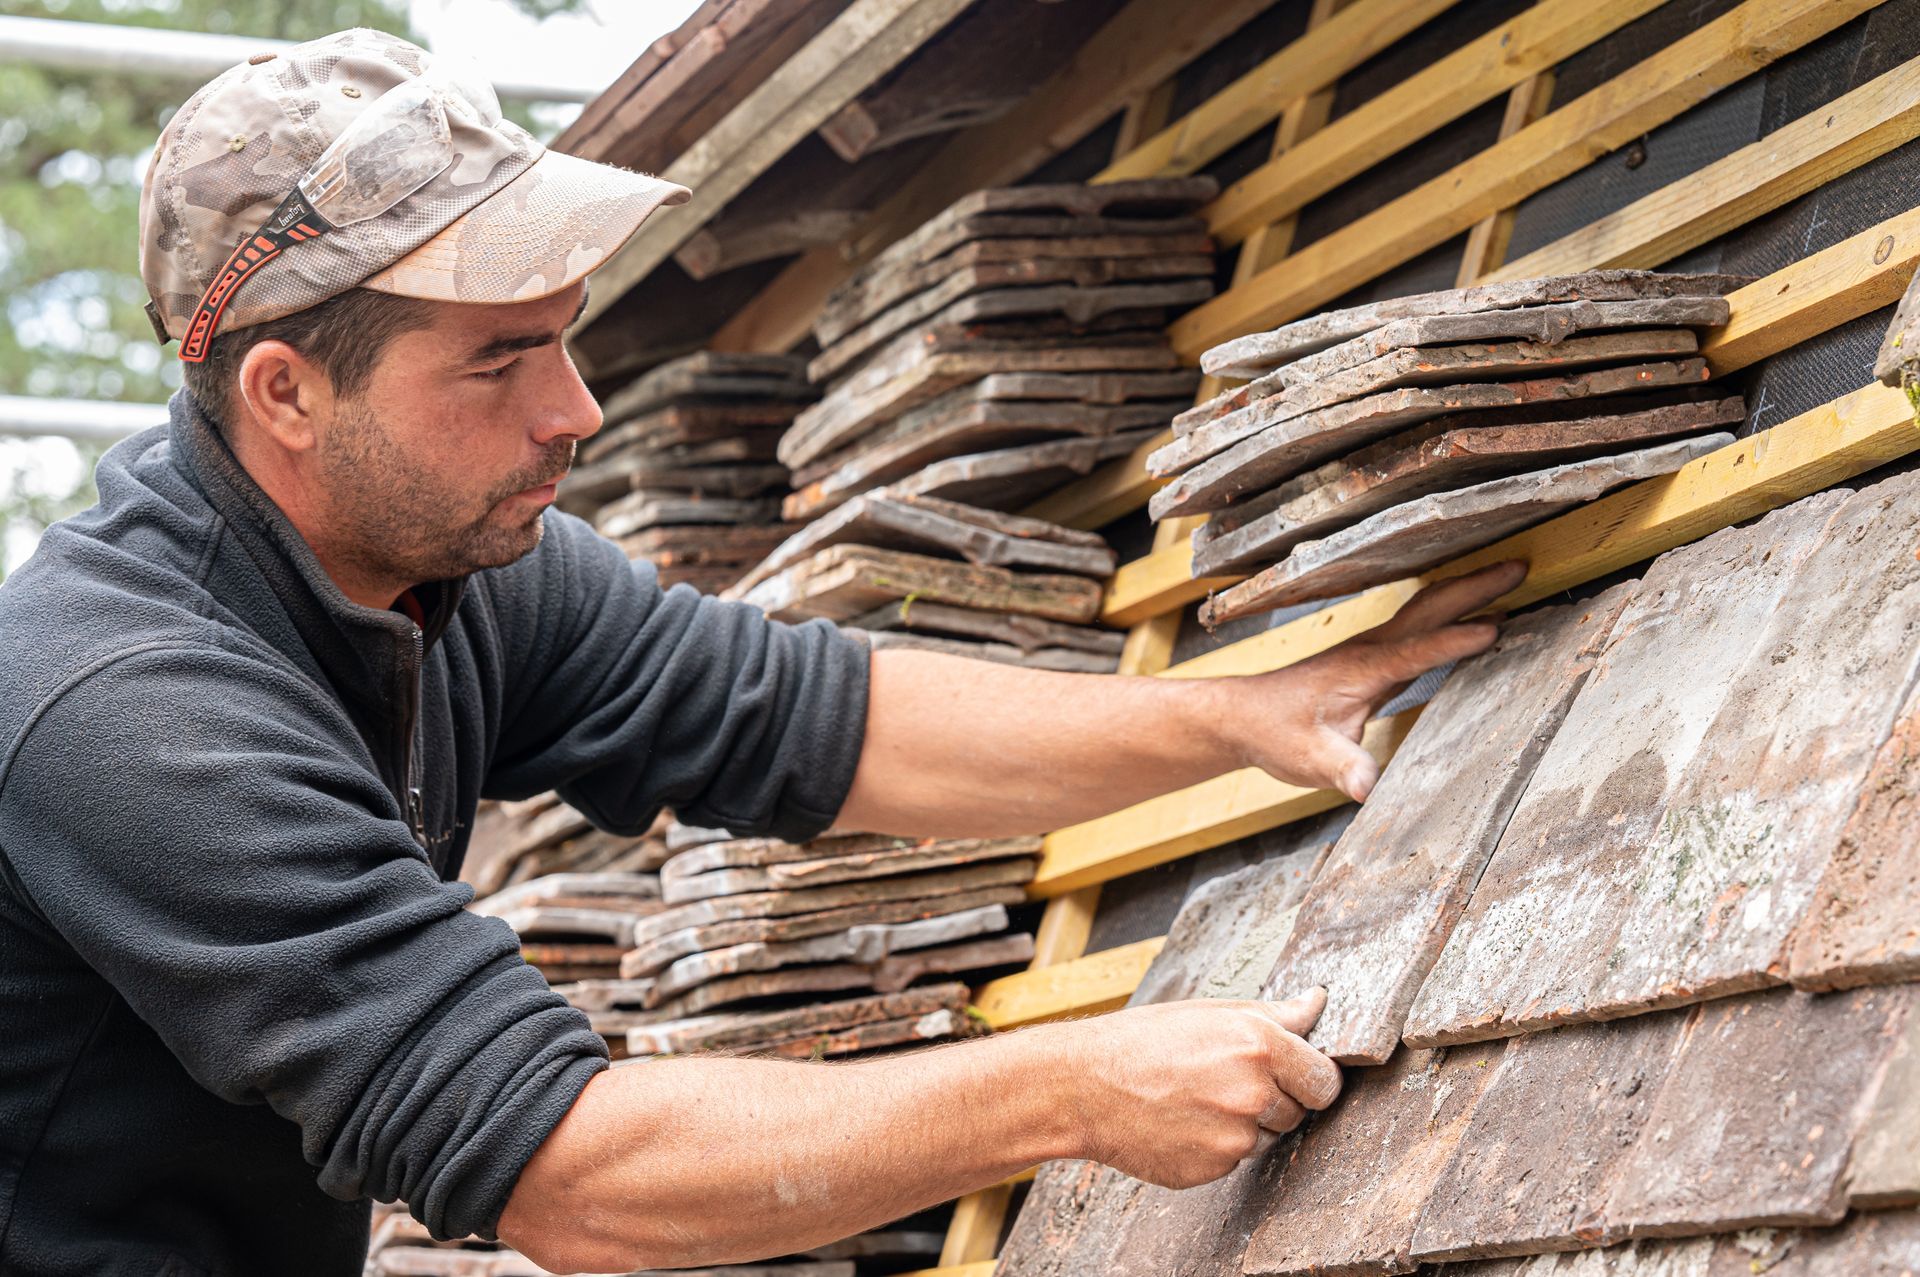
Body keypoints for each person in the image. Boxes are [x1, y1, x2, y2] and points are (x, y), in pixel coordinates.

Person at [0, 29, 1525, 1276]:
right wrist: (1069, 1087)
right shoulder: (127, 708)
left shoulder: (439, 564)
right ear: (284, 393)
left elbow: (817, 718)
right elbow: (559, 1169)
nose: (574, 409)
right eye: (501, 358)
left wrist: (1244, 716)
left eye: (565, 333)